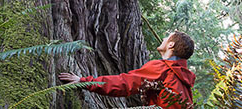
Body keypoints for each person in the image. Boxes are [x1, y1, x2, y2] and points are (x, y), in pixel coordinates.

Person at [58, 31, 196, 109]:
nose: (164, 38)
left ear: (171, 44)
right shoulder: (182, 78)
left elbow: (124, 83)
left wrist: (84, 81)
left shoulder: (163, 68)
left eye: (168, 37)